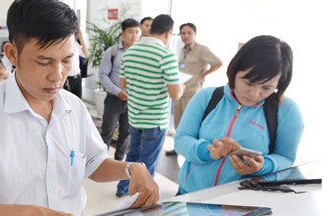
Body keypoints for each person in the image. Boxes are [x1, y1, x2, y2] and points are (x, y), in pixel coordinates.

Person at [0, 0, 159, 216]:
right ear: (13, 54)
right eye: (44, 62)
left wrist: (131, 168)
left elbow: (93, 162)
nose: (57, 75)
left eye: (66, 60)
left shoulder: (73, 107)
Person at [174, 35, 304, 195]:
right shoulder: (207, 97)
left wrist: (263, 166)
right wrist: (208, 151)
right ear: (234, 71)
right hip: (190, 194)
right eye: (249, 82)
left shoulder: (287, 111)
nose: (255, 93)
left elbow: (286, 158)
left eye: (267, 87)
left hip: (242, 203)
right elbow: (181, 139)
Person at [116, 14, 183, 197]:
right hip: (154, 119)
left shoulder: (130, 52)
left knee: (132, 157)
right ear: (168, 33)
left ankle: (123, 189)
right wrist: (181, 86)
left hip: (135, 115)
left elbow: (122, 84)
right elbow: (175, 94)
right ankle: (142, 196)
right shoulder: (166, 54)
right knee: (148, 161)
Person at [165, 23, 222, 156]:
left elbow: (218, 62)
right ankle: (178, 148)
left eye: (189, 33)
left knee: (191, 125)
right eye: (183, 33)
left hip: (192, 93)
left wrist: (203, 75)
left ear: (195, 34)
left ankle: (192, 152)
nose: (185, 36)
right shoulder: (182, 50)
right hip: (180, 92)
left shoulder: (201, 49)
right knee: (178, 123)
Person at [99, 18, 141, 161]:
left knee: (126, 133)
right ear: (123, 33)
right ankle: (101, 161)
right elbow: (103, 75)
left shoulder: (142, 53)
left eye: (137, 32)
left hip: (134, 100)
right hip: (114, 99)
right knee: (107, 132)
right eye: (130, 32)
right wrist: (118, 91)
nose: (134, 35)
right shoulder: (113, 52)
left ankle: (118, 161)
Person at [64, 29, 88, 98]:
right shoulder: (65, 44)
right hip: (68, 78)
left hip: (77, 77)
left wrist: (81, 38)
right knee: (67, 100)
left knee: (78, 100)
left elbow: (86, 55)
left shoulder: (76, 44)